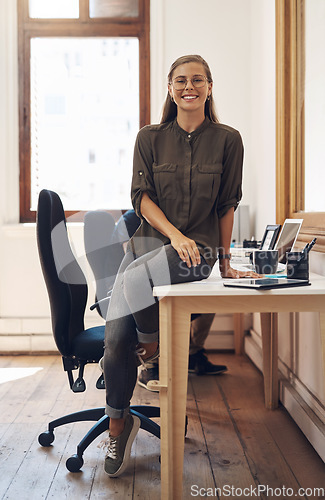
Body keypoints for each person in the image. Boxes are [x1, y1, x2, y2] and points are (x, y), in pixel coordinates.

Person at [100, 54, 259, 478]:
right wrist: (173, 233)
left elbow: (227, 205)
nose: (189, 87)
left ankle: (151, 346)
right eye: (181, 81)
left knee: (128, 295)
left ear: (210, 86)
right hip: (148, 248)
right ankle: (120, 423)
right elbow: (141, 197)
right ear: (170, 88)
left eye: (198, 80)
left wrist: (224, 264)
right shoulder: (149, 138)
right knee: (115, 339)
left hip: (196, 254)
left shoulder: (229, 140)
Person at [112, 210, 227, 391]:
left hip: (163, 273)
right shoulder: (130, 220)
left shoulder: (176, 218)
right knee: (154, 298)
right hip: (134, 285)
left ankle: (194, 352)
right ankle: (150, 364)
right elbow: (136, 259)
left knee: (209, 293)